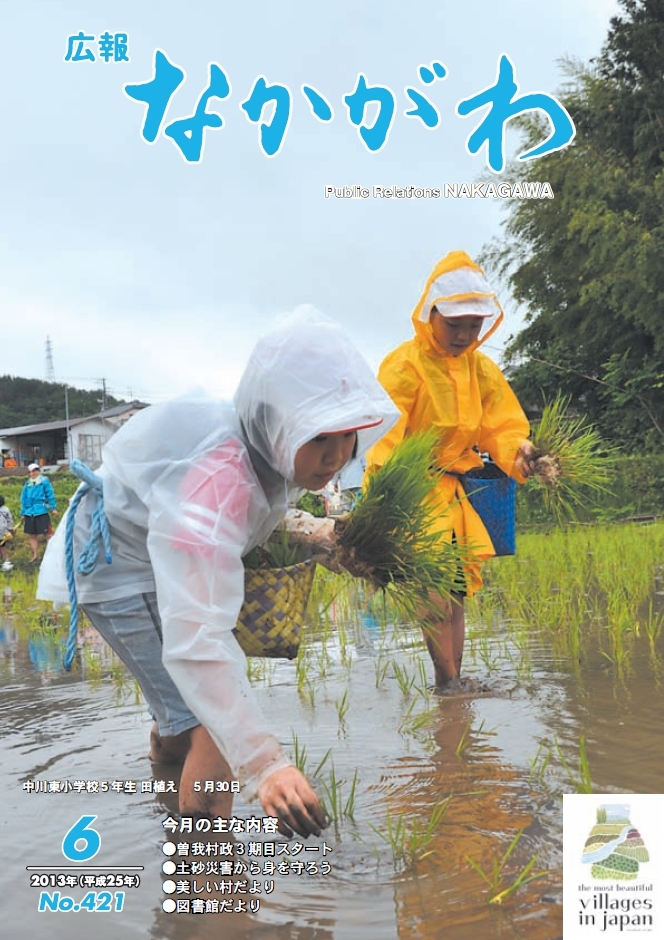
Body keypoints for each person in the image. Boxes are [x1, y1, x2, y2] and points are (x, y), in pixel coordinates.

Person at [37, 308, 399, 837]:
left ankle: (167, 784)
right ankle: (206, 867)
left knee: (183, 711)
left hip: (136, 551)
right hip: (117, 569)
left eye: (347, 437)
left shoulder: (265, 454)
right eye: (319, 438)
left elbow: (259, 517)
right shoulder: (221, 479)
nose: (335, 456)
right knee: (211, 726)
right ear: (277, 423)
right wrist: (265, 763)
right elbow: (198, 639)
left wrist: (325, 538)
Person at [365, 250, 535, 689]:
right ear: (430, 314)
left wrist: (523, 453)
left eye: (473, 326)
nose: (463, 335)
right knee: (434, 598)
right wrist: (380, 502)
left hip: (458, 494)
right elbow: (384, 437)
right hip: (413, 493)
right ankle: (448, 683)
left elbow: (503, 426)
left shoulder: (481, 369)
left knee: (455, 597)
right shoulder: (405, 365)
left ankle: (452, 684)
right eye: (454, 325)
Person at [20, 463, 58, 561]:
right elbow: (23, 498)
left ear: (38, 471)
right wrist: (23, 512)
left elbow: (50, 494)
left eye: (35, 470)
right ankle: (35, 555)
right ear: (29, 473)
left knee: (48, 533)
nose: (34, 473)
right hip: (29, 512)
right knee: (32, 535)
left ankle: (54, 554)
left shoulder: (44, 481)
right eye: (31, 471)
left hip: (41, 511)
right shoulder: (27, 483)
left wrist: (53, 508)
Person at [0, 495, 15, 571]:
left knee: (2, 547)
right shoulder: (6, 509)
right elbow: (10, 520)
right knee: (2, 547)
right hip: (3, 533)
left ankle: (5, 562)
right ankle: (6, 563)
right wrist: (11, 529)